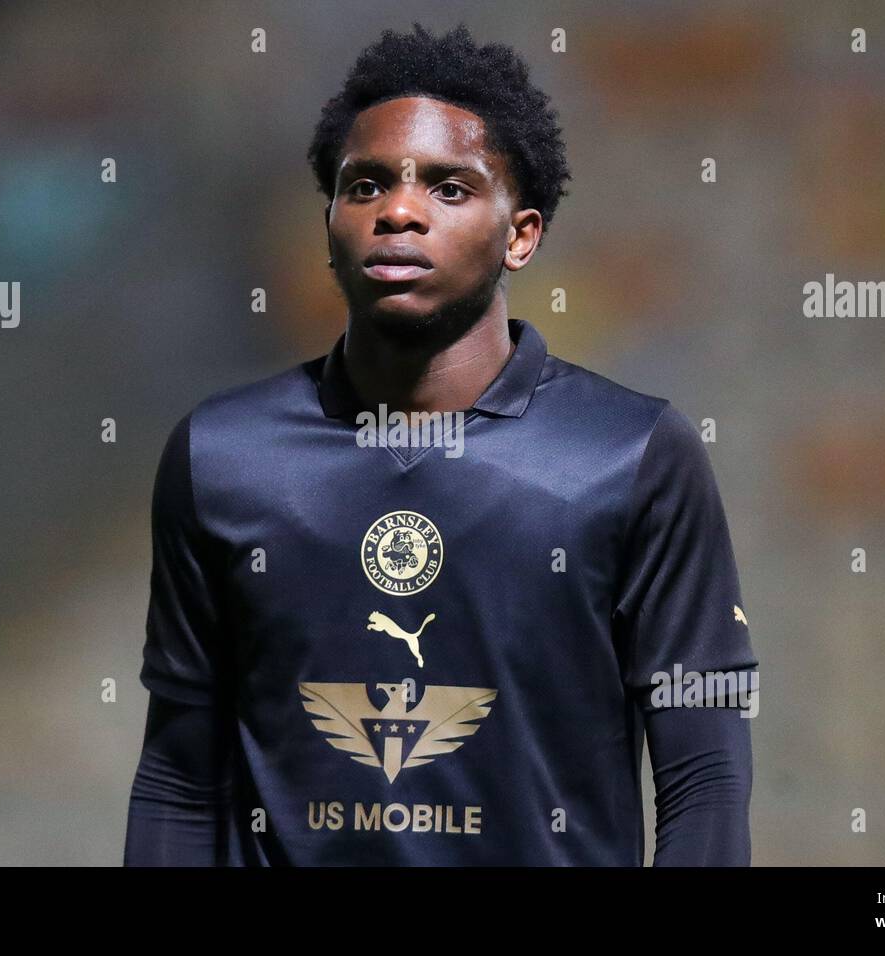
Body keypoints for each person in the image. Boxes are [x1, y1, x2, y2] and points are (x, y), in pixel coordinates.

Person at [124, 22, 758, 866]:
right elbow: (178, 779)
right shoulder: (222, 457)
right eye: (366, 185)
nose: (399, 209)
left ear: (520, 235)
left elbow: (705, 775)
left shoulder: (633, 456)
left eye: (450, 188)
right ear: (330, 222)